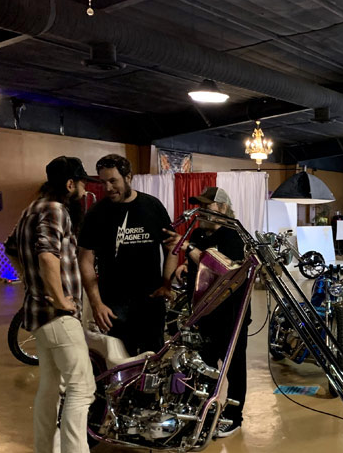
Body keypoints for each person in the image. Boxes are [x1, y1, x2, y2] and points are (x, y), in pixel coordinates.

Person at [7, 156, 119, 453]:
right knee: (82, 389)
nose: (86, 191)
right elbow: (46, 255)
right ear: (70, 184)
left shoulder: (31, 209)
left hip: (38, 316)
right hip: (57, 316)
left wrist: (31, 284)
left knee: (49, 388)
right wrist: (59, 298)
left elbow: (10, 248)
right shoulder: (56, 210)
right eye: (83, 183)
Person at [78, 154, 178, 356]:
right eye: (103, 182)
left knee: (153, 361)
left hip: (150, 302)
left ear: (128, 177)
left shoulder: (152, 206)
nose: (108, 188)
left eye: (113, 181)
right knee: (120, 364)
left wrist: (166, 283)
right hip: (113, 306)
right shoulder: (96, 214)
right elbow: (85, 261)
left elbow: (172, 247)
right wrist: (96, 304)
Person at [174, 187, 249, 437]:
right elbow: (198, 261)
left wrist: (187, 249)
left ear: (223, 208)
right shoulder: (199, 233)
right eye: (201, 206)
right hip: (204, 313)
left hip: (231, 315)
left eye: (207, 206)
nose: (202, 211)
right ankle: (204, 412)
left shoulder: (234, 235)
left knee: (234, 365)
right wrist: (185, 267)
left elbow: (219, 268)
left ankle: (234, 417)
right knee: (204, 365)